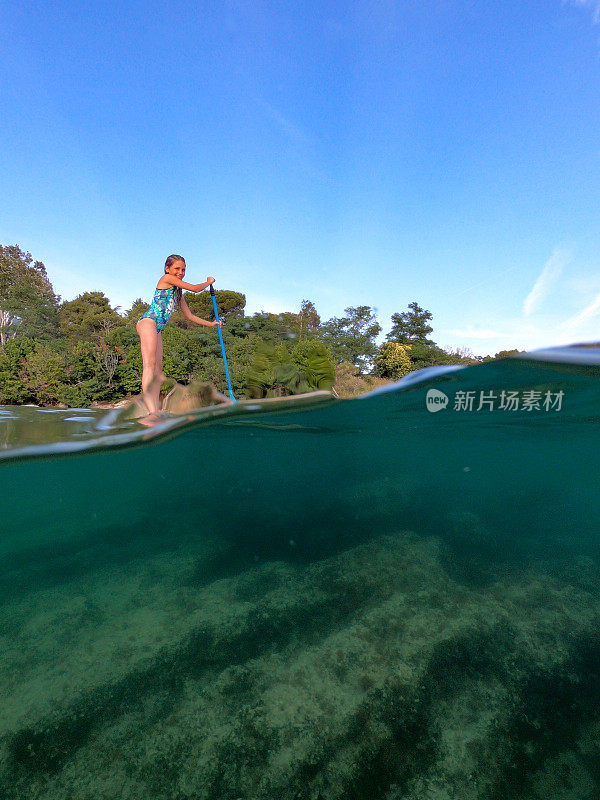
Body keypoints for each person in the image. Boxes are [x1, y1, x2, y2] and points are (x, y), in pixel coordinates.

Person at [136, 254, 221, 414]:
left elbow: (190, 316)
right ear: (168, 269)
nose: (180, 272)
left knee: (158, 370)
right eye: (177, 268)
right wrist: (209, 282)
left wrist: (211, 324)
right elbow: (196, 289)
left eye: (183, 269)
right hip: (148, 322)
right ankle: (152, 411)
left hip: (157, 328)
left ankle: (155, 409)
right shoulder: (167, 278)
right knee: (149, 365)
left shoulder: (178, 292)